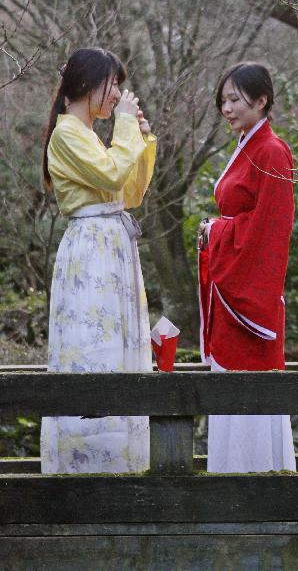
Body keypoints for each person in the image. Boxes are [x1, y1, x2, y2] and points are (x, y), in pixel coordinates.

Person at [40, 47, 157, 474]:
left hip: (111, 249)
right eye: (114, 85)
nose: (118, 95)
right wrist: (125, 126)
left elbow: (131, 193)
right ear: (89, 83)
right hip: (91, 253)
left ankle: (121, 461)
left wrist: (140, 139)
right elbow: (111, 175)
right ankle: (86, 464)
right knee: (93, 349)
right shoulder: (66, 133)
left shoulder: (88, 135)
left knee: (120, 349)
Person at [198, 61, 296, 473]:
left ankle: (255, 483)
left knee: (250, 385)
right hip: (232, 284)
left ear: (261, 100)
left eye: (235, 99)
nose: (227, 108)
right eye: (223, 100)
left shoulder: (271, 151)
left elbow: (269, 230)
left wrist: (217, 231)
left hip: (249, 291)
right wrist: (220, 231)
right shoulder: (247, 145)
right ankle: (231, 479)